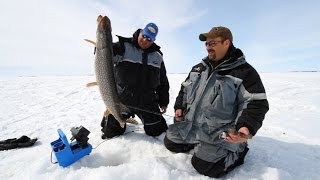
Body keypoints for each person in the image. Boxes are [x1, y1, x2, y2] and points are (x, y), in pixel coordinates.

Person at [164, 26, 269, 178]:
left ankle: (239, 149)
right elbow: (184, 89)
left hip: (220, 132)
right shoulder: (198, 68)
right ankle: (198, 143)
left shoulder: (245, 72)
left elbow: (256, 102)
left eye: (212, 43)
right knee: (170, 143)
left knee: (205, 166)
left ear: (226, 43)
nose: (208, 47)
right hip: (193, 126)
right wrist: (180, 106)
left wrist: (245, 127)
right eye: (206, 44)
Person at [97, 15, 170, 139]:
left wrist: (164, 101)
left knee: (157, 131)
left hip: (147, 101)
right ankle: (122, 119)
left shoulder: (157, 56)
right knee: (110, 131)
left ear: (154, 40)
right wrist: (102, 32)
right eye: (144, 36)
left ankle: (145, 120)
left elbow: (163, 80)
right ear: (141, 32)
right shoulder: (123, 46)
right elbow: (104, 51)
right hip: (122, 100)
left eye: (150, 39)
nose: (145, 40)